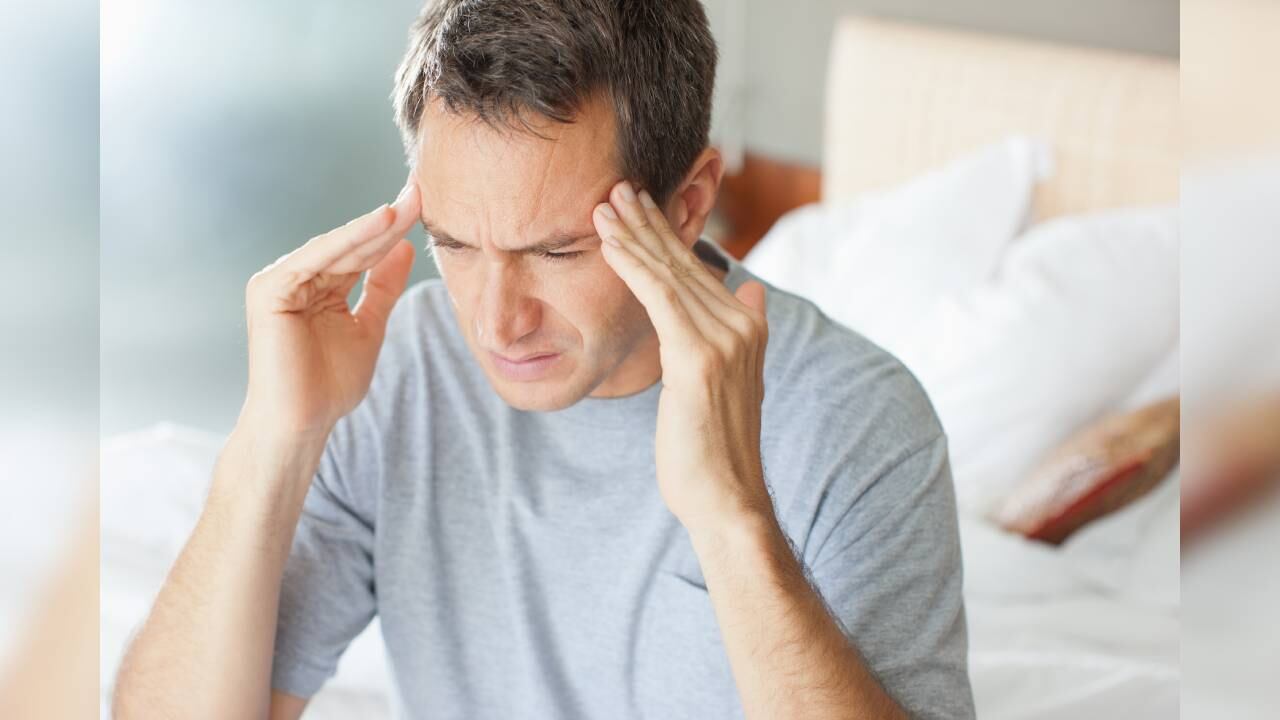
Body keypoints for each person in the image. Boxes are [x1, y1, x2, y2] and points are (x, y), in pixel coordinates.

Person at [112, 1, 974, 718]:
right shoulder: (409, 368)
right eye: (453, 243)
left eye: (557, 252)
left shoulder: (859, 424)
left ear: (688, 206)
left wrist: (733, 520)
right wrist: (272, 441)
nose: (496, 321)